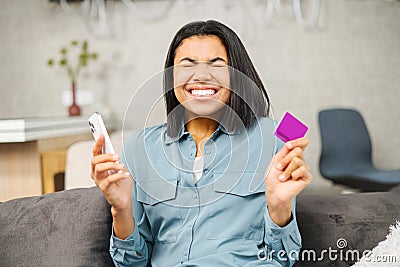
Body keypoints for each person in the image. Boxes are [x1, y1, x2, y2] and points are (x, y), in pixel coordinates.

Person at [91, 20, 312, 267]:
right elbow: (131, 263)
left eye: (217, 64)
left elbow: (285, 257)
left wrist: (279, 207)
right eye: (187, 64)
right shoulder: (138, 147)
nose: (202, 76)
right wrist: (120, 210)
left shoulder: (279, 136)